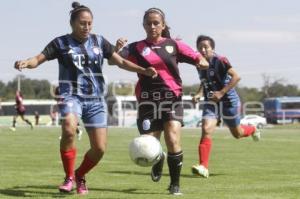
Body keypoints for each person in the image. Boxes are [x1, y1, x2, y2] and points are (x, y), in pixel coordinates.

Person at [14, 2, 157, 195]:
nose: (87, 27)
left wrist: (143, 70)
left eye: (90, 23)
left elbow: (120, 61)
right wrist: (26, 62)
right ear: (72, 23)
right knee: (69, 128)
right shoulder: (61, 43)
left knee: (99, 149)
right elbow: (38, 59)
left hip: (96, 100)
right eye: (82, 23)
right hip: (71, 95)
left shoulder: (99, 42)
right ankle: (69, 178)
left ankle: (80, 174)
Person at [113, 8, 209, 195]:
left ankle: (174, 185)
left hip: (172, 98)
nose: (152, 26)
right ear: (143, 25)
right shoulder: (135, 47)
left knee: (172, 138)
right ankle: (158, 158)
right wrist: (116, 49)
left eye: (156, 23)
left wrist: (201, 60)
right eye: (148, 23)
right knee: (150, 143)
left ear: (163, 25)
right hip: (147, 100)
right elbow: (113, 61)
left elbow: (198, 58)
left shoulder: (174, 45)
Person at [191, 35, 261, 178]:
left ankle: (253, 128)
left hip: (229, 101)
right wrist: (199, 94)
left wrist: (221, 92)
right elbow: (204, 81)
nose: (203, 50)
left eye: (206, 47)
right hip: (211, 102)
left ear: (212, 48)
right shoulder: (199, 64)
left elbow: (236, 77)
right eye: (200, 47)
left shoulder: (220, 60)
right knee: (206, 129)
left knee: (238, 134)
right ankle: (203, 167)